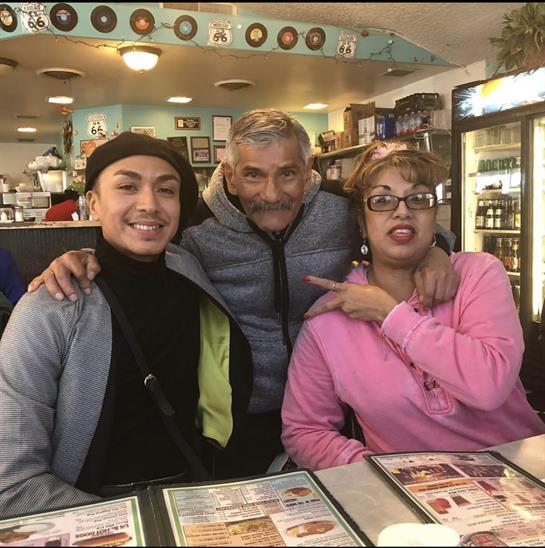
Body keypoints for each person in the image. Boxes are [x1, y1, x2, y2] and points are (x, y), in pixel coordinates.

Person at [28, 111, 459, 476]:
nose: (272, 194)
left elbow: (402, 222)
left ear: (308, 170)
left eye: (287, 173)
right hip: (240, 420)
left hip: (342, 410)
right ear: (231, 176)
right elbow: (139, 246)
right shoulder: (195, 226)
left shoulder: (339, 208)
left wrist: (438, 249)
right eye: (253, 175)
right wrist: (83, 257)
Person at [0, 132, 252, 517]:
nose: (149, 204)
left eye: (166, 190)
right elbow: (13, 484)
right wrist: (130, 524)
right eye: (127, 186)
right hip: (91, 507)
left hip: (196, 491)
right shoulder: (48, 310)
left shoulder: (188, 270)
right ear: (93, 203)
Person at [281, 149, 545, 471]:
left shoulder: (479, 274)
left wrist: (390, 314)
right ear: (362, 223)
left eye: (418, 199)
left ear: (434, 216)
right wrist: (383, 472)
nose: (402, 212)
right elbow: (304, 431)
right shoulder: (328, 319)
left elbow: (489, 387)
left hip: (520, 475)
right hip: (407, 490)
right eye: (382, 200)